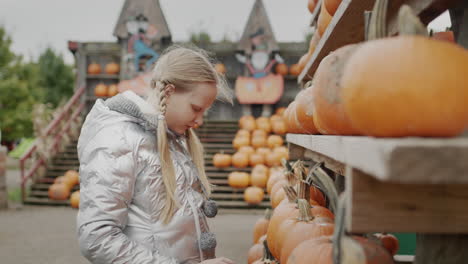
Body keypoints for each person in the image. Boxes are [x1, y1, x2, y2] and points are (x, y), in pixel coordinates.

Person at [77, 46, 234, 264]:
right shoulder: (118, 138)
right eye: (196, 108)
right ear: (169, 92)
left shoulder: (171, 137)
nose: (200, 121)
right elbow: (97, 238)